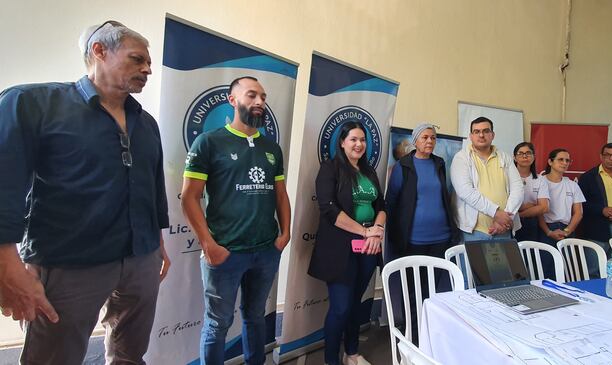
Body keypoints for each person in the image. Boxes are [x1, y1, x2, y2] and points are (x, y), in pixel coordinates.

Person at [0, 21, 170, 364]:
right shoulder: (31, 104)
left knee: (130, 353)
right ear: (99, 51)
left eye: (148, 63)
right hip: (69, 263)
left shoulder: (146, 123)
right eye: (138, 59)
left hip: (142, 258)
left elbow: (153, 184)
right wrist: (6, 262)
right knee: (54, 357)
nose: (147, 69)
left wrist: (158, 243)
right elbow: (5, 182)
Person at [181, 76, 290, 365]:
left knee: (255, 317)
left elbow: (281, 195)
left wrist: (285, 234)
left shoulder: (271, 148)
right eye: (252, 95)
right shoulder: (209, 142)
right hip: (225, 252)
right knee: (218, 324)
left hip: (266, 250)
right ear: (233, 100)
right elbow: (189, 198)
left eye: (263, 97)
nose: (259, 102)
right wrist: (209, 245)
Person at [308, 122, 386, 365]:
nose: (359, 144)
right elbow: (328, 209)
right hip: (339, 247)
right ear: (342, 142)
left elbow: (381, 206)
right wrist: (365, 232)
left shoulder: (369, 170)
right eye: (353, 139)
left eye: (362, 139)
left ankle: (351, 353)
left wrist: (377, 232)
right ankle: (331, 360)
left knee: (355, 304)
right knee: (341, 307)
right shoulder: (330, 169)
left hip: (369, 247)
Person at [384, 123, 461, 339]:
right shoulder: (403, 166)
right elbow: (391, 201)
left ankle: (429, 332)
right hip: (413, 241)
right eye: (425, 137)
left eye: (433, 138)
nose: (429, 141)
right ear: (415, 141)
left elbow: (443, 196)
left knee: (432, 290)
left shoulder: (439, 163)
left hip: (441, 238)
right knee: (413, 290)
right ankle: (413, 335)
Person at [450, 117, 524, 241]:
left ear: (492, 135)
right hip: (474, 232)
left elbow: (518, 188)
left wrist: (505, 219)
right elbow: (465, 192)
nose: (481, 135)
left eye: (486, 131)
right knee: (473, 261)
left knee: (505, 262)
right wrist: (496, 213)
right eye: (476, 131)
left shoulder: (504, 157)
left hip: (503, 229)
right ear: (471, 136)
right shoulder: (461, 158)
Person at [537, 149, 585, 279]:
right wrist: (548, 231)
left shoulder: (572, 185)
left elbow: (578, 212)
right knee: (545, 270)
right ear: (550, 162)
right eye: (560, 159)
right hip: (545, 229)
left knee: (565, 270)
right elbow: (539, 211)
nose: (564, 163)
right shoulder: (540, 182)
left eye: (567, 160)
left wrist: (567, 231)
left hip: (566, 230)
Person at [512, 142, 550, 242]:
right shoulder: (507, 177)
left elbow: (544, 207)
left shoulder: (540, 179)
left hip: (531, 223)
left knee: (531, 255)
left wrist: (519, 215)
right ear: (515, 158)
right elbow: (504, 203)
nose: (525, 156)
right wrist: (528, 206)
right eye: (520, 153)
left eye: (528, 153)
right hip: (509, 223)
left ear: (534, 157)